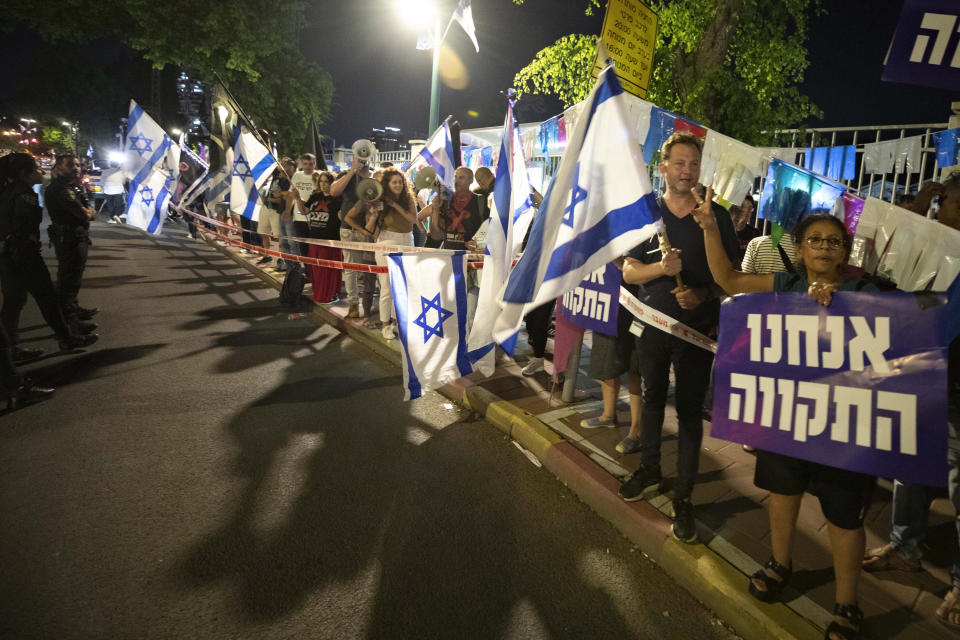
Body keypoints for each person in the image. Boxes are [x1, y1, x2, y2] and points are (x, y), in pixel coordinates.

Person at [694, 199, 879, 640]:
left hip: (843, 427)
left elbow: (903, 328)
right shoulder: (785, 283)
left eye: (834, 242)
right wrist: (708, 228)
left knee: (843, 516)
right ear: (798, 249)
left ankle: (847, 604)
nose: (824, 248)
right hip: (787, 416)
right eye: (814, 240)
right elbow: (728, 279)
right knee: (782, 492)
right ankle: (779, 564)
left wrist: (842, 307)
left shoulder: (870, 289)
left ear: (845, 251)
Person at [618, 132, 739, 546]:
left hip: (697, 330)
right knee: (652, 399)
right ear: (663, 167)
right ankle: (650, 469)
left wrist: (702, 293)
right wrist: (661, 270)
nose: (687, 171)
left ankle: (684, 497)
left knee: (688, 412)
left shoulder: (714, 216)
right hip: (651, 324)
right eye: (680, 163)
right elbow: (628, 271)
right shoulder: (646, 211)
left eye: (694, 164)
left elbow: (731, 278)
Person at [861, 174, 960, 630]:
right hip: (921, 370)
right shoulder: (931, 245)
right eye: (944, 202)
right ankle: (905, 548)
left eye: (950, 203)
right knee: (908, 466)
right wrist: (922, 202)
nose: (947, 211)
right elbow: (887, 258)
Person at [0, 153, 97, 355]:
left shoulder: (13, 191)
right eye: (36, 169)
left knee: (15, 303)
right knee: (48, 299)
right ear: (23, 174)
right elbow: (18, 227)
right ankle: (67, 338)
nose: (41, 171)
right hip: (24, 255)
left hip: (13, 255)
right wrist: (23, 243)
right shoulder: (23, 195)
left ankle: (12, 349)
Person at [580, 259, 645, 455]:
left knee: (636, 366)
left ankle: (637, 429)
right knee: (606, 357)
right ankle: (608, 415)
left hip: (636, 302)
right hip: (606, 298)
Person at [345, 168, 417, 339]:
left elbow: (413, 219)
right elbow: (359, 224)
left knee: (402, 286)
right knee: (387, 287)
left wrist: (395, 205)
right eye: (394, 182)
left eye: (400, 182)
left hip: (408, 242)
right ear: (387, 184)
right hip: (386, 243)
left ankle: (395, 321)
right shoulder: (378, 200)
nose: (398, 185)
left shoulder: (408, 200)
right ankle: (385, 324)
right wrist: (372, 218)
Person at [45, 154, 98, 335]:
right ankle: (70, 324)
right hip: (69, 239)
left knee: (74, 278)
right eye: (70, 165)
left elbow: (90, 210)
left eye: (77, 164)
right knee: (69, 281)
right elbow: (85, 214)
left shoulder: (71, 186)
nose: (76, 168)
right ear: (59, 168)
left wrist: (89, 212)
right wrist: (89, 213)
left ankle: (74, 310)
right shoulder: (61, 190)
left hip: (75, 237)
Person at [330, 159, 376, 319]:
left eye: (365, 155)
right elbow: (334, 191)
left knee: (371, 270)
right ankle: (353, 304)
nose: (362, 158)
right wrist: (352, 171)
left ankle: (369, 304)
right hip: (348, 228)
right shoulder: (346, 175)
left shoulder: (374, 177)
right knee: (350, 268)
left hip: (370, 231)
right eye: (359, 155)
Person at [297, 171, 343, 304]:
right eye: (321, 182)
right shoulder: (315, 196)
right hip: (314, 238)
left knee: (328, 270)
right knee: (316, 270)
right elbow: (304, 211)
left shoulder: (338, 198)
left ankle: (330, 293)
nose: (323, 185)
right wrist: (297, 199)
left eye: (326, 182)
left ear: (332, 183)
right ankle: (319, 292)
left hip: (330, 240)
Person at [100, 159, 125, 223]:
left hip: (108, 190)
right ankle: (117, 215)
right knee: (118, 204)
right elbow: (123, 181)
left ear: (110, 164)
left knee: (110, 205)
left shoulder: (105, 171)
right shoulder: (121, 172)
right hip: (118, 190)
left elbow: (102, 181)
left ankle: (112, 218)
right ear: (117, 164)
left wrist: (103, 187)